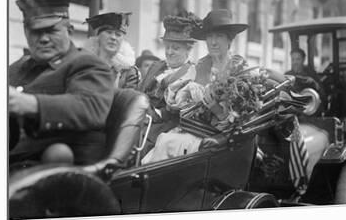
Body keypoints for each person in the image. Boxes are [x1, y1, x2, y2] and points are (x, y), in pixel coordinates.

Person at [8, 0, 115, 167]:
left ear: (70, 31)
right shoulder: (18, 67)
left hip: (53, 172)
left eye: (51, 31)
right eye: (35, 32)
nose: (43, 39)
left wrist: (30, 104)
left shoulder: (87, 64)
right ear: (26, 33)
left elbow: (91, 107)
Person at [142, 9, 248, 164]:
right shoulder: (199, 66)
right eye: (210, 36)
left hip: (219, 138)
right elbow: (177, 105)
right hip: (191, 129)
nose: (213, 42)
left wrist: (215, 108)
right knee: (153, 150)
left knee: (165, 143)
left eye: (218, 36)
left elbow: (241, 121)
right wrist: (180, 95)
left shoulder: (238, 69)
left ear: (229, 40)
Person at [138, 14, 199, 150]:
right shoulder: (156, 67)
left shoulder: (192, 74)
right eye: (167, 47)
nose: (169, 52)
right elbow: (140, 90)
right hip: (141, 115)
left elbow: (182, 112)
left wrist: (155, 114)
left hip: (166, 125)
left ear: (188, 50)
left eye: (176, 48)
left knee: (137, 137)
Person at [84, 12, 141, 89]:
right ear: (99, 36)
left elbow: (128, 99)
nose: (113, 37)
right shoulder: (84, 64)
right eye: (109, 32)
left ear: (122, 40)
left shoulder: (129, 72)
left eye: (118, 34)